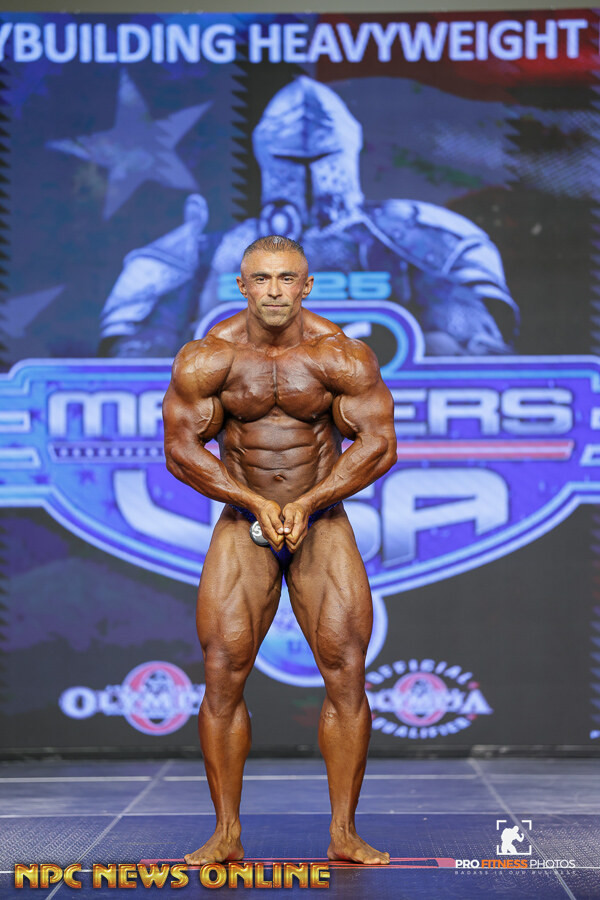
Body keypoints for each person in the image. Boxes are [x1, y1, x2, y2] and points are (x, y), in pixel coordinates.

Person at [162, 234, 397, 866]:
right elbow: (180, 450)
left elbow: (379, 444)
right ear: (241, 286)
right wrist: (256, 501)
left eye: (286, 278)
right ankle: (225, 834)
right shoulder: (207, 358)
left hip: (323, 520)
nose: (274, 291)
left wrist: (310, 501)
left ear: (306, 285)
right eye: (261, 279)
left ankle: (344, 833)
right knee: (222, 671)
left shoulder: (339, 355)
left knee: (345, 670)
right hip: (244, 520)